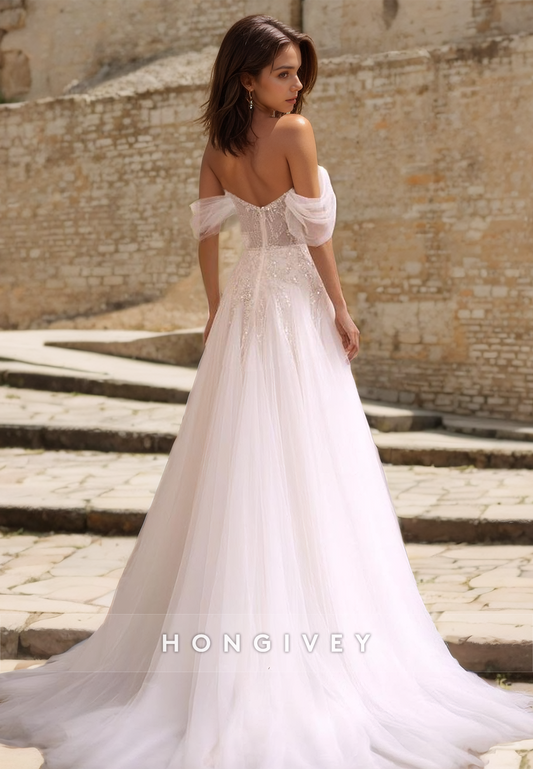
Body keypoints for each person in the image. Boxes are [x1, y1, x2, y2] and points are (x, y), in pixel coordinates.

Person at [0, 13, 532, 769]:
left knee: (237, 457)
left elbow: (206, 232)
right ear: (248, 77)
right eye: (282, 72)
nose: (297, 83)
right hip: (292, 307)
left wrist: (217, 307)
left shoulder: (218, 144)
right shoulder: (295, 134)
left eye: (297, 70)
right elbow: (315, 233)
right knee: (311, 459)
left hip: (247, 307)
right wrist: (340, 310)